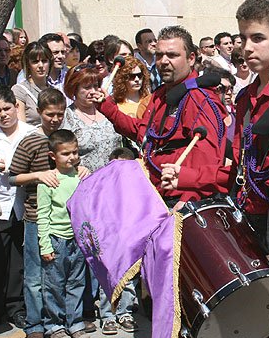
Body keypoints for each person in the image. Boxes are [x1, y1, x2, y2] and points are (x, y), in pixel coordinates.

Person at [161, 0, 269, 338]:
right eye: (242, 39)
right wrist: (187, 178)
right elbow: (239, 170)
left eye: (257, 38)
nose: (245, 48)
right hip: (247, 222)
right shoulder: (246, 97)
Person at [91, 25, 227, 208]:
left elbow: (208, 156)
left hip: (181, 202)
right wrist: (106, 107)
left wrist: (189, 198)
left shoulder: (198, 98)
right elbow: (144, 134)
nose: (163, 61)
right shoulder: (160, 95)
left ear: (191, 58)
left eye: (172, 55)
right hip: (156, 196)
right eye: (159, 55)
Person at [0, 85, 36, 331]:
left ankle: (16, 307)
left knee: (19, 261)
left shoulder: (31, 133)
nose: (3, 114)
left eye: (7, 108)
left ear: (16, 106)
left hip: (24, 204)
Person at [36, 130, 89, 338]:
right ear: (53, 156)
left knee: (76, 283)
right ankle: (54, 325)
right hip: (57, 239)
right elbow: (43, 215)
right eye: (65, 153)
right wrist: (45, 244)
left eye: (75, 152)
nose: (72, 157)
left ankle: (75, 322)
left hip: (78, 238)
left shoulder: (81, 175)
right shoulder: (48, 181)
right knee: (54, 285)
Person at [12, 42, 53, 127]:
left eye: (44, 61)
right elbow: (21, 126)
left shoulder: (55, 90)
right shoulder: (19, 90)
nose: (41, 65)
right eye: (35, 61)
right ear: (28, 64)